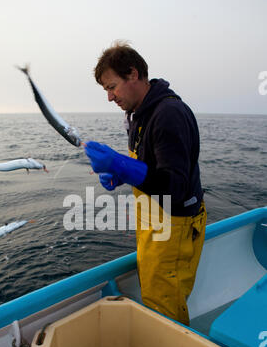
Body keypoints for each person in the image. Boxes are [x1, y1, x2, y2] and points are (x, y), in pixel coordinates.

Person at [85, 42, 207, 326]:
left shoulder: (168, 114)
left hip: (173, 224)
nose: (109, 97)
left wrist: (119, 164)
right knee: (155, 294)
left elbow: (174, 186)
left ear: (133, 74)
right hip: (154, 219)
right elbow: (151, 167)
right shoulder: (139, 113)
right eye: (105, 90)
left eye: (112, 87)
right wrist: (121, 174)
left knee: (165, 305)